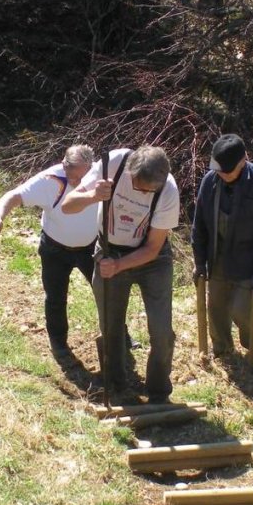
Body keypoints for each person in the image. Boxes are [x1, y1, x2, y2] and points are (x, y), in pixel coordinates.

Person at [61, 146, 180, 404]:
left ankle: (159, 392)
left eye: (150, 191)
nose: (145, 193)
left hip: (153, 260)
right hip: (109, 250)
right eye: (140, 186)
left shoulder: (168, 190)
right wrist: (93, 195)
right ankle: (116, 387)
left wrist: (119, 266)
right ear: (130, 171)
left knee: (161, 330)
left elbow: (152, 248)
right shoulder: (113, 164)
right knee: (110, 326)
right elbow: (68, 207)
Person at [0, 145, 98, 360]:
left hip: (91, 248)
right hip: (55, 248)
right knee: (55, 297)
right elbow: (13, 196)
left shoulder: (99, 177)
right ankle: (58, 343)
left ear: (90, 168)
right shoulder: (49, 179)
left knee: (107, 294)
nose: (77, 184)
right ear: (65, 166)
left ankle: (120, 336)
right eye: (73, 177)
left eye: (82, 178)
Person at [191, 133, 253, 359]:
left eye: (226, 171)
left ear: (243, 161)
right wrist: (200, 262)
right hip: (217, 257)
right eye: (218, 170)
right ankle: (223, 351)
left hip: (247, 261)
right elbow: (199, 226)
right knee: (216, 310)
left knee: (242, 311)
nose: (221, 174)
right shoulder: (210, 181)